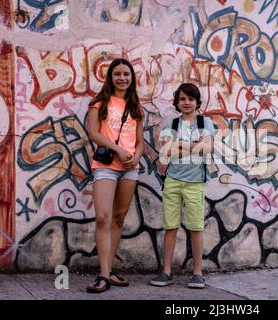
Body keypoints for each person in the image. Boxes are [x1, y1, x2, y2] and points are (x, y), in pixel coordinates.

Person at [85, 58, 144, 293]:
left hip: (130, 168)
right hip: (106, 166)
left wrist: (136, 156)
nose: (122, 78)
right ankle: (103, 274)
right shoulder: (99, 103)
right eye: (117, 74)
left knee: (118, 218)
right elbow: (93, 132)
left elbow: (140, 142)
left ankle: (109, 272)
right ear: (110, 77)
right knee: (103, 217)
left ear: (131, 78)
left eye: (126, 74)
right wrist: (119, 150)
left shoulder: (136, 107)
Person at [150, 83, 214, 289]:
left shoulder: (206, 123)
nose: (187, 103)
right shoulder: (172, 125)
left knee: (196, 227)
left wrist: (182, 146)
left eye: (191, 99)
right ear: (177, 102)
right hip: (173, 182)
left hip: (195, 183)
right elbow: (168, 153)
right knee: (170, 226)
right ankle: (166, 271)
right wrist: (195, 146)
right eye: (183, 99)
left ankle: (197, 273)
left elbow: (208, 147)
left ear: (197, 102)